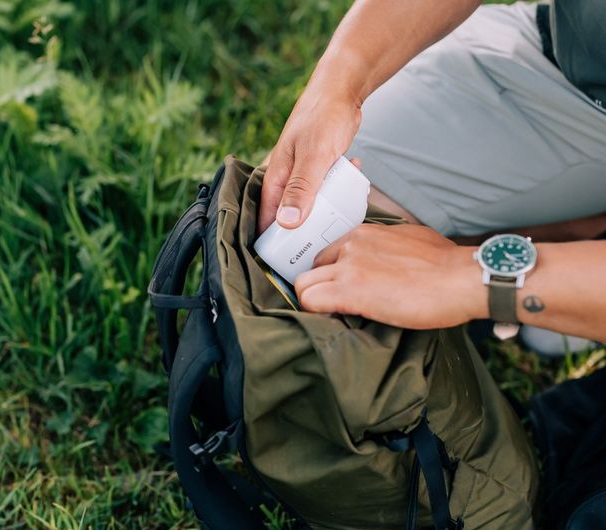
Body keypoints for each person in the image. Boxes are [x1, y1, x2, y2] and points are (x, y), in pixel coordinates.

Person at [258, 0, 606, 342]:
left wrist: (464, 275)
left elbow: (455, 277)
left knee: (332, 328)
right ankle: (570, 236)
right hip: (563, 59)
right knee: (291, 234)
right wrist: (339, 86)